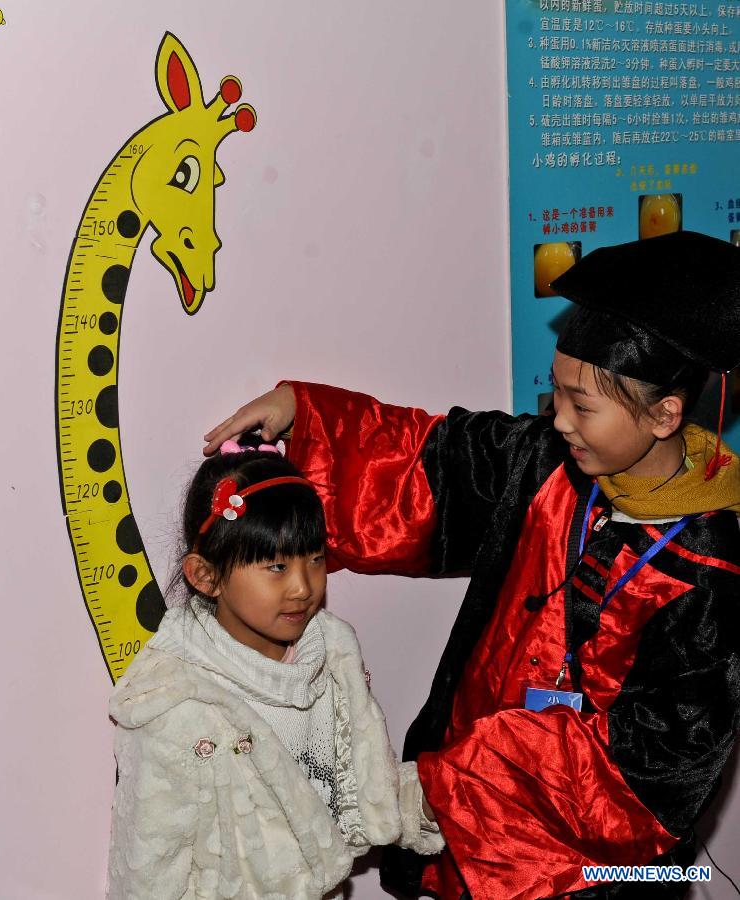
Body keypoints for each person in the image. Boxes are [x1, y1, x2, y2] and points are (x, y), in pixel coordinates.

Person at [203, 231, 740, 899]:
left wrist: (455, 782)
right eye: (557, 394)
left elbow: (655, 769)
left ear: (664, 415)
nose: (560, 420)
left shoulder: (710, 570)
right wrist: (306, 414)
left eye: (583, 405)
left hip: (585, 868)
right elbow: (432, 461)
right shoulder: (547, 465)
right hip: (467, 824)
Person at [106, 440, 443, 899]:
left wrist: (447, 793)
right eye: (277, 566)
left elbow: (366, 792)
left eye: (316, 559)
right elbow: (148, 876)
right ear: (206, 576)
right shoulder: (177, 707)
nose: (304, 587)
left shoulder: (332, 658)